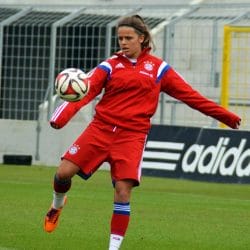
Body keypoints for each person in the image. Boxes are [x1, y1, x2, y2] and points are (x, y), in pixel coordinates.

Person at [44, 15, 241, 249]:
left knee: (122, 191)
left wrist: (225, 116)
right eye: (120, 38)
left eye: (128, 38)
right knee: (63, 173)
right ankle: (57, 205)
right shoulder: (110, 65)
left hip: (132, 136)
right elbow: (85, 91)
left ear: (142, 38)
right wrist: (60, 117)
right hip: (100, 129)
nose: (123, 43)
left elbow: (190, 96)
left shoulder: (159, 69)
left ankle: (113, 247)